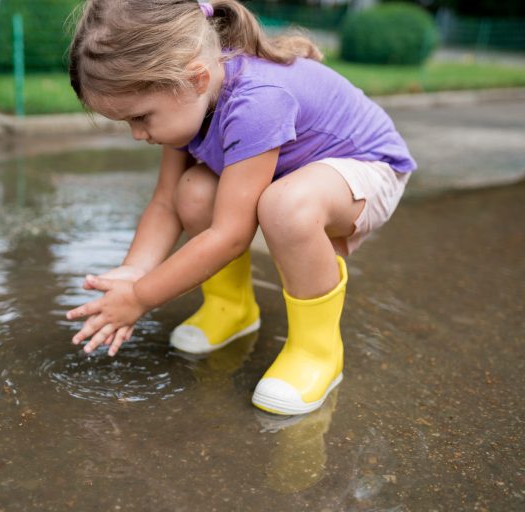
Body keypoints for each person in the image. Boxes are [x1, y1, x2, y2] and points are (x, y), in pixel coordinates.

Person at [65, 0, 416, 415]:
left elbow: (229, 236)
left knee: (286, 207)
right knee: (192, 190)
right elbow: (164, 203)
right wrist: (134, 271)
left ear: (194, 79)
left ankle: (318, 351)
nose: (137, 134)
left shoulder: (257, 103)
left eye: (140, 117)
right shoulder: (189, 100)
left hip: (368, 169)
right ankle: (231, 308)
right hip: (298, 174)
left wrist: (141, 297)